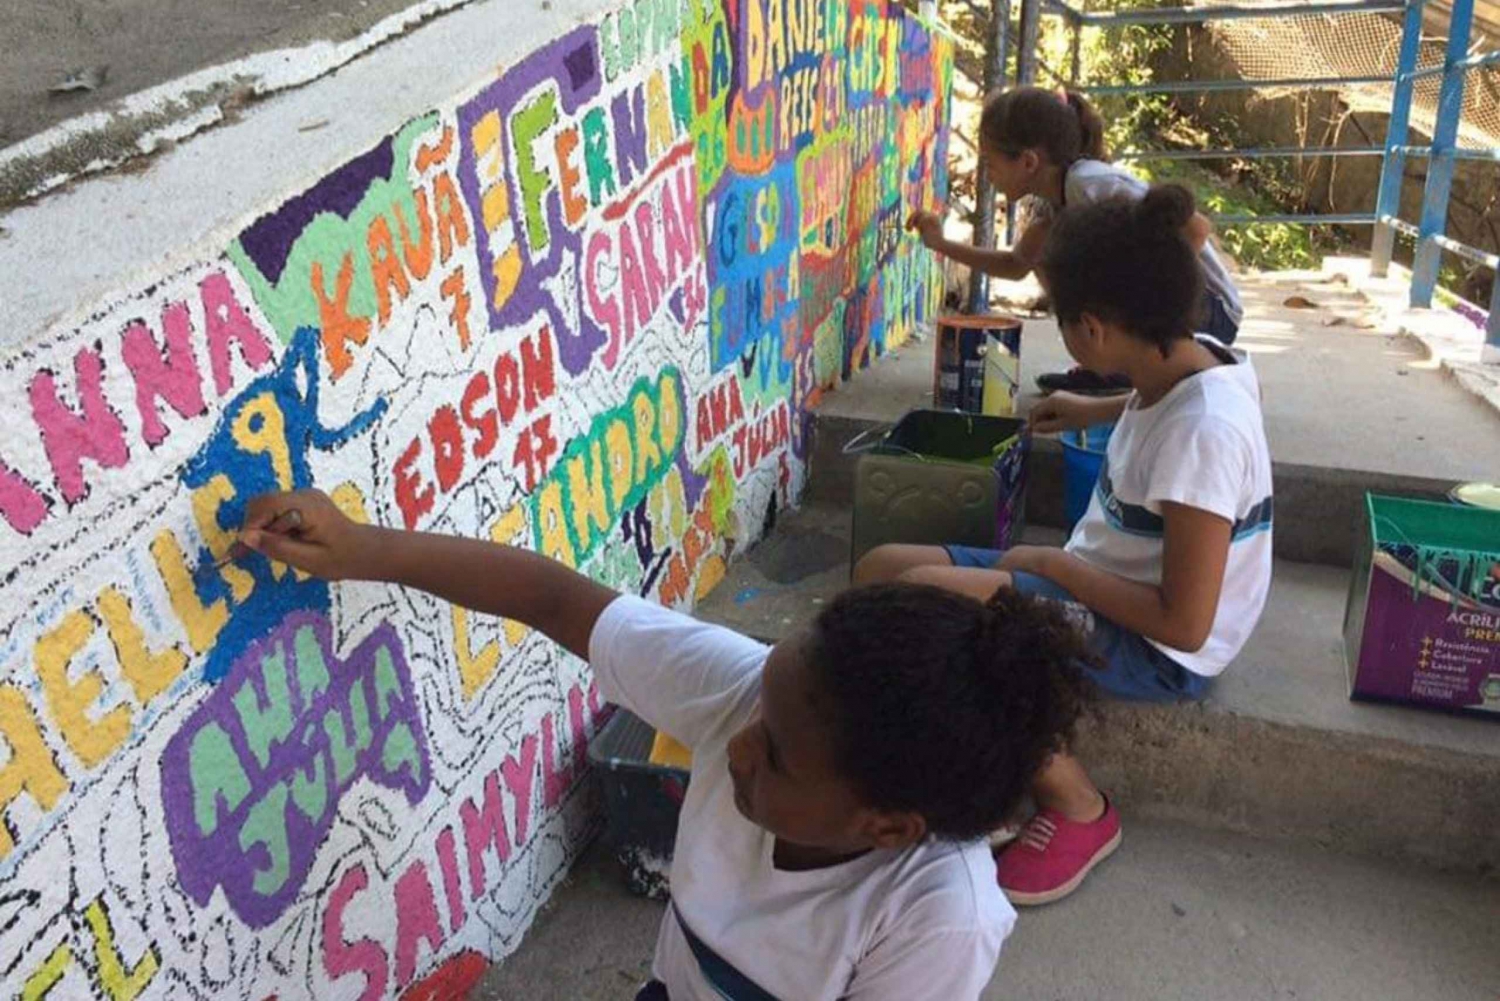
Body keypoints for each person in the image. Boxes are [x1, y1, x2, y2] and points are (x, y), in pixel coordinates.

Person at [235, 488, 1092, 999]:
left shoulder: (940, 915)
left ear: (888, 826)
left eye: (778, 755)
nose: (737, 749)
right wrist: (358, 547)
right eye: (760, 713)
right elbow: (549, 595)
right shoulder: (750, 698)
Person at [860, 184, 1273, 905]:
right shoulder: (1191, 357)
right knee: (880, 573)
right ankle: (987, 762)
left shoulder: (1203, 437)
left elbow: (1185, 623)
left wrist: (1049, 563)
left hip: (1159, 651)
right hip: (1095, 578)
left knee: (942, 620)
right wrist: (1100, 405)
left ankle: (1078, 803)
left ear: (1091, 329)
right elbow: (1158, 396)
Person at [908, 86, 1243, 395]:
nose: (988, 175)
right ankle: (1117, 369)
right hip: (1178, 314)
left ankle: (1124, 369)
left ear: (1028, 162)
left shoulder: (1090, 185)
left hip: (1209, 312)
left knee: (1074, 269)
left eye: (990, 163)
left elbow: (1195, 230)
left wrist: (1147, 302)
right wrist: (940, 244)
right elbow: (1015, 265)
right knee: (1053, 262)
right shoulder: (1055, 203)